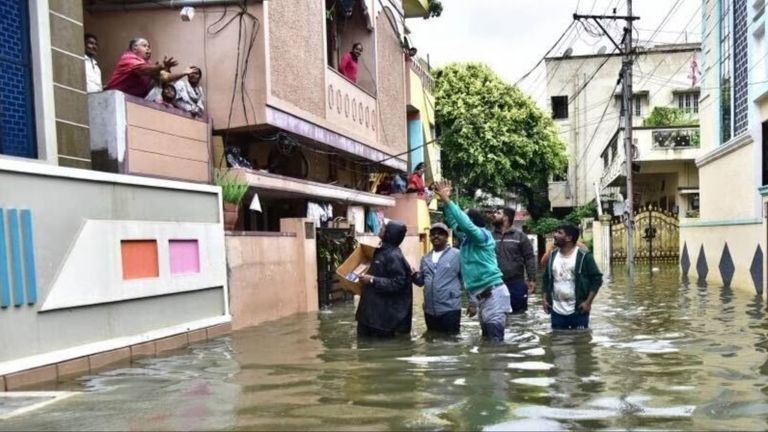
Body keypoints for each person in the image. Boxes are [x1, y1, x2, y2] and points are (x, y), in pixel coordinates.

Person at [433, 180, 511, 342]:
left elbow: (464, 224)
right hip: (483, 297)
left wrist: (449, 200)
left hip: (494, 296)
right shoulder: (466, 240)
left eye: (465, 219)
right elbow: (455, 223)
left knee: (494, 347)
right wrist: (445, 203)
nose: (460, 225)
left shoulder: (482, 236)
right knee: (488, 345)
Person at [356, 221, 413, 338]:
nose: (380, 228)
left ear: (389, 233)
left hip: (382, 320)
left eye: (384, 227)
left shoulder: (393, 255)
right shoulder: (380, 250)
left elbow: (398, 282)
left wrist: (372, 280)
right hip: (369, 314)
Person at [541, 223, 603, 330]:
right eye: (556, 232)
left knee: (580, 342)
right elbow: (546, 279)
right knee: (556, 342)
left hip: (578, 310)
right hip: (556, 311)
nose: (555, 235)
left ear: (569, 238)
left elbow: (597, 279)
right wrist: (544, 299)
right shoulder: (552, 255)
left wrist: (588, 302)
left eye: (559, 233)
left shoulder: (584, 256)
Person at [412, 222, 462, 334]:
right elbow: (421, 282)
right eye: (433, 234)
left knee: (451, 343)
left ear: (447, 237)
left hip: (450, 308)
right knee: (432, 341)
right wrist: (414, 275)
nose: (436, 236)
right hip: (429, 310)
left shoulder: (457, 255)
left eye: (440, 234)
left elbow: (468, 279)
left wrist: (473, 302)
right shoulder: (425, 258)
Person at [106, 37, 185, 98]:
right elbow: (143, 70)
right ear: (134, 48)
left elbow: (165, 77)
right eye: (144, 46)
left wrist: (185, 73)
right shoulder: (128, 58)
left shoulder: (149, 63)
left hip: (131, 99)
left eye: (149, 47)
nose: (148, 48)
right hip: (113, 98)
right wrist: (161, 66)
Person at [492, 207, 537, 314]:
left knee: (519, 316)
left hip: (516, 283)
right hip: (494, 282)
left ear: (506, 218)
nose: (494, 215)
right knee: (496, 314)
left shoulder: (520, 236)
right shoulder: (490, 236)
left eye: (498, 213)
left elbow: (529, 258)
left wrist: (532, 279)